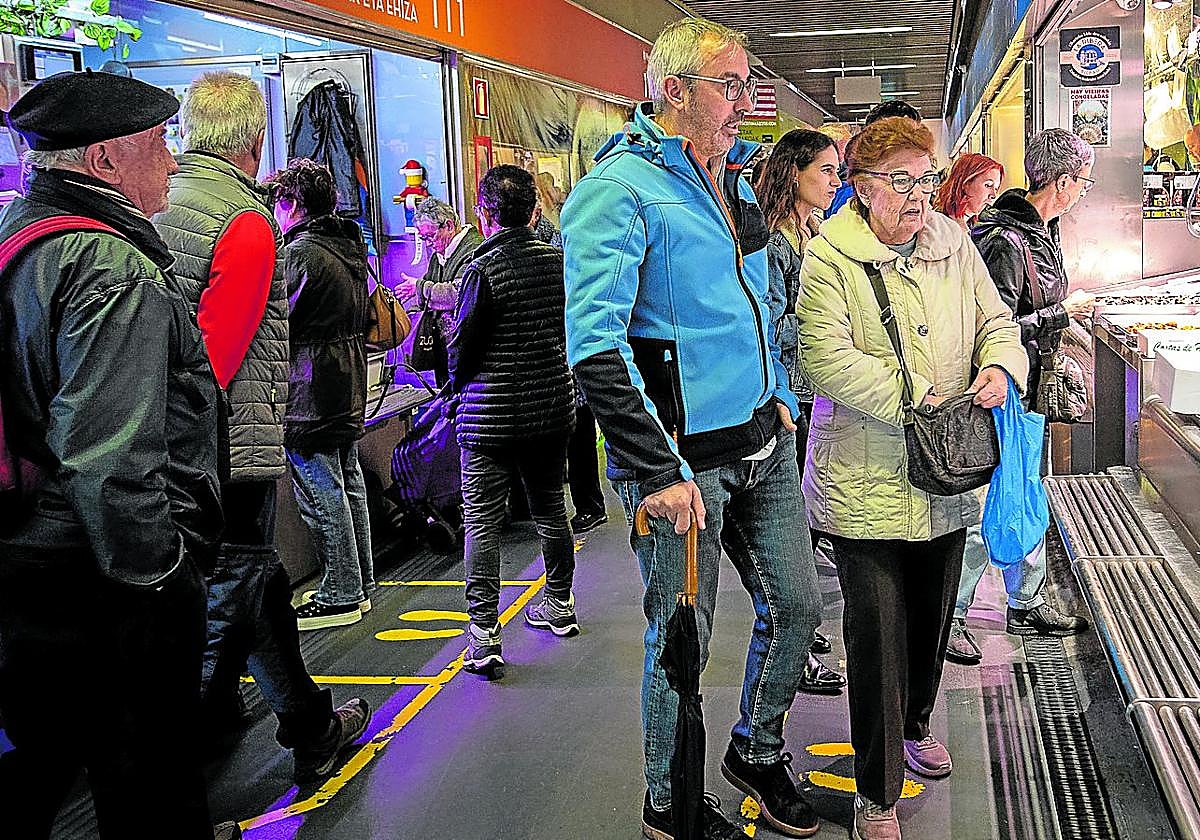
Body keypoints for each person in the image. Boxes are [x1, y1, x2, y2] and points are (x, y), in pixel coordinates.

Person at [563, 18, 823, 839]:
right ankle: (668, 809)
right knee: (682, 643)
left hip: (760, 445)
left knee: (800, 606)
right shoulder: (621, 190)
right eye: (730, 85)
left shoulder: (730, 184)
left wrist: (778, 391)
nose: (746, 103)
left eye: (749, 84)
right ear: (673, 92)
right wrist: (656, 470)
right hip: (681, 468)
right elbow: (595, 346)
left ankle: (756, 746)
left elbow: (758, 306)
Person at [0, 70, 235, 839]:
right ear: (104, 162)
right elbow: (113, 456)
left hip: (29, 560)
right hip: (106, 584)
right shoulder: (111, 267)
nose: (172, 162)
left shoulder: (19, 237)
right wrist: (163, 582)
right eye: (160, 144)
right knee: (152, 791)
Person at [796, 116, 1027, 840]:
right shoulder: (830, 257)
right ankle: (876, 792)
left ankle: (917, 724)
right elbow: (822, 358)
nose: (918, 194)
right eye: (900, 181)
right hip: (864, 485)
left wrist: (998, 365)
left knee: (929, 626)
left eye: (925, 178)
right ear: (862, 190)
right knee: (875, 637)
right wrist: (912, 393)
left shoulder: (954, 243)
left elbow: (998, 319)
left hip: (947, 474)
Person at [155, 71, 369, 783]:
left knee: (255, 583)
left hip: (173, 452)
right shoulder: (244, 224)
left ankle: (300, 723)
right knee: (240, 586)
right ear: (254, 140)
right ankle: (235, 735)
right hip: (225, 451)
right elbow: (217, 357)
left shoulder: (161, 209)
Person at [950, 129, 1095, 658]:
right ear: (1060, 182)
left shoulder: (1041, 233)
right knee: (985, 498)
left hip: (1028, 390)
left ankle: (1026, 596)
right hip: (1001, 390)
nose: (1083, 191)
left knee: (1026, 491)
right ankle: (954, 613)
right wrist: (1065, 314)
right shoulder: (1006, 240)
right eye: (1082, 180)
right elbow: (998, 325)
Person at [448, 164, 577, 677]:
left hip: (489, 416)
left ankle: (483, 635)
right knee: (551, 508)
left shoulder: (482, 269)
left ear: (484, 214)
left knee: (482, 522)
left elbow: (463, 347)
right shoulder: (560, 263)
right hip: (551, 408)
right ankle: (560, 602)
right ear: (536, 209)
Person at [753, 127, 846, 697]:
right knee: (792, 542)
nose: (835, 182)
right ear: (795, 174)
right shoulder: (776, 244)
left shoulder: (809, 235)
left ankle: (802, 644)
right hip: (791, 399)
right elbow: (773, 324)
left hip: (812, 391)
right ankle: (801, 651)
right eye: (826, 171)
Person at [266, 158, 375, 630]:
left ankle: (342, 590)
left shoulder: (299, 254)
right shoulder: (350, 247)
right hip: (346, 378)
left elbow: (275, 319)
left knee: (320, 486)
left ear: (292, 205)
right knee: (348, 482)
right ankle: (362, 581)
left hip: (308, 384)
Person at [403, 196, 484, 385]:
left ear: (448, 226)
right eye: (423, 238)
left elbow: (458, 294)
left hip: (467, 352)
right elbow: (430, 291)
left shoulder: (474, 251)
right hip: (445, 351)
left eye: (430, 236)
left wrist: (420, 288)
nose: (428, 243)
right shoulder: (438, 256)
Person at [934, 153, 1004, 230]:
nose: (993, 195)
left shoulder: (974, 226)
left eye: (996, 189)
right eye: (988, 185)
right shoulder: (938, 225)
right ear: (965, 183)